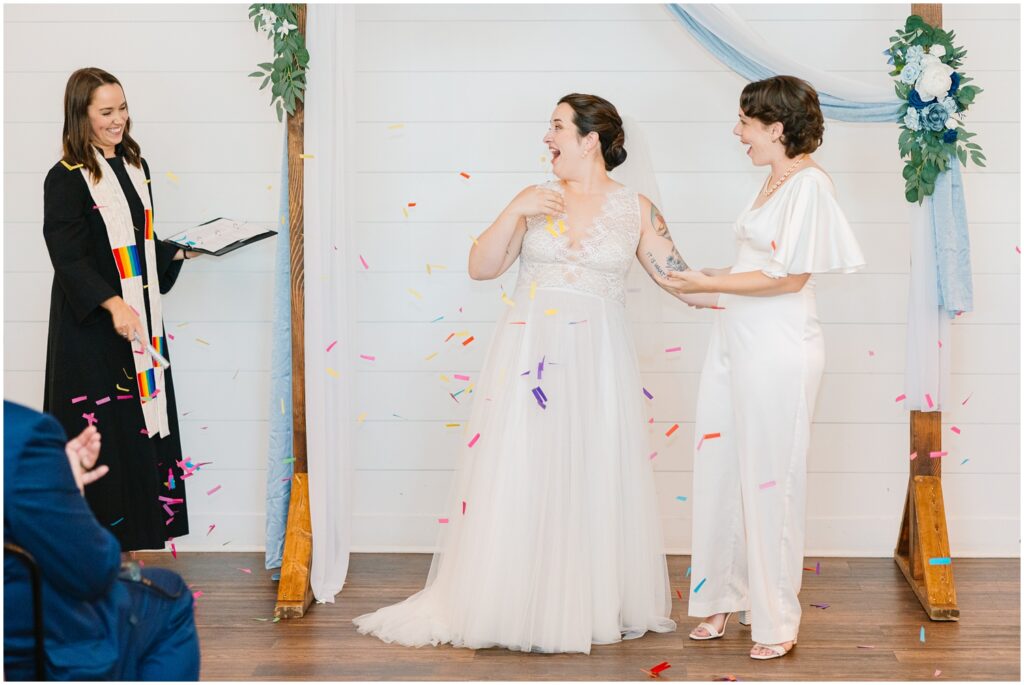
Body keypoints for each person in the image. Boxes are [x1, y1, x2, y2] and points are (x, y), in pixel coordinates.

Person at [354, 94, 710, 654]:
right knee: (520, 468)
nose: (547, 138)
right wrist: (516, 209)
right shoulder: (536, 198)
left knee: (587, 470)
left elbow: (678, 277)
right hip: (528, 359)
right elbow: (481, 268)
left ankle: (578, 602)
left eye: (557, 127)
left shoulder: (635, 209)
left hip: (597, 362)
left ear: (591, 139)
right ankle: (505, 599)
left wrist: (751, 294)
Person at [662, 75, 865, 660]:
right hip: (736, 336)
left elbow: (791, 276)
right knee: (722, 464)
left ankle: (775, 617)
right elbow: (755, 266)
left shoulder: (809, 186)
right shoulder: (771, 184)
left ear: (776, 129)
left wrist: (711, 281)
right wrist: (704, 290)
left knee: (771, 476)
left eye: (746, 122)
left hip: (778, 344)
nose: (737, 131)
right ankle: (720, 596)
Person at [42, 68, 201, 553]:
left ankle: (129, 547)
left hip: (140, 324)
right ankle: (91, 553)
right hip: (93, 331)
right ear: (81, 115)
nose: (119, 121)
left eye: (123, 108)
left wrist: (181, 250)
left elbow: (137, 242)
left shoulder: (136, 165)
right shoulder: (65, 177)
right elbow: (68, 255)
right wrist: (113, 305)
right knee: (104, 433)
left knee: (138, 434)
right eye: (106, 112)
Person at [3, 400, 200, 680]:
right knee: (171, 595)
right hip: (33, 651)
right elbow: (94, 572)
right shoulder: (22, 437)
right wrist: (69, 492)